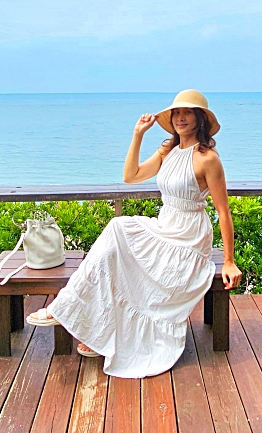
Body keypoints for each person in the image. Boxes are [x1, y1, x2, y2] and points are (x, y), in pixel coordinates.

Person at [26, 89, 242, 378]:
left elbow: (223, 211)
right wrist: (138, 134)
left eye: (187, 112)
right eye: (176, 113)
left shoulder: (208, 159)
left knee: (119, 231)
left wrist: (228, 260)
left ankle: (66, 310)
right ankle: (95, 328)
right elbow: (131, 176)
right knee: (117, 242)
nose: (180, 118)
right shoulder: (169, 151)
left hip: (188, 237)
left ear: (200, 118)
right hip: (165, 225)